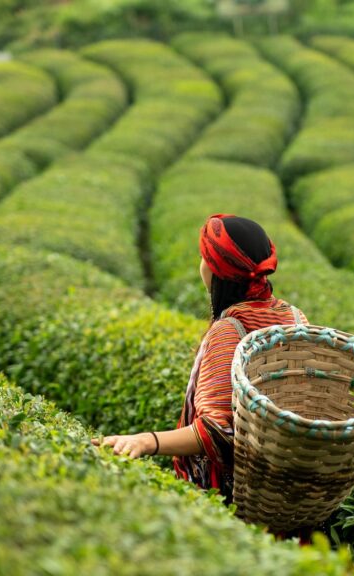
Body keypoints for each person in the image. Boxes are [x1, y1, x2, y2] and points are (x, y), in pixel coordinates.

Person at [95, 213, 306, 504]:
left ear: (215, 269)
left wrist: (145, 441)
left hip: (234, 496)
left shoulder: (229, 331)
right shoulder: (295, 318)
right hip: (287, 488)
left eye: (203, 257)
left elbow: (218, 430)